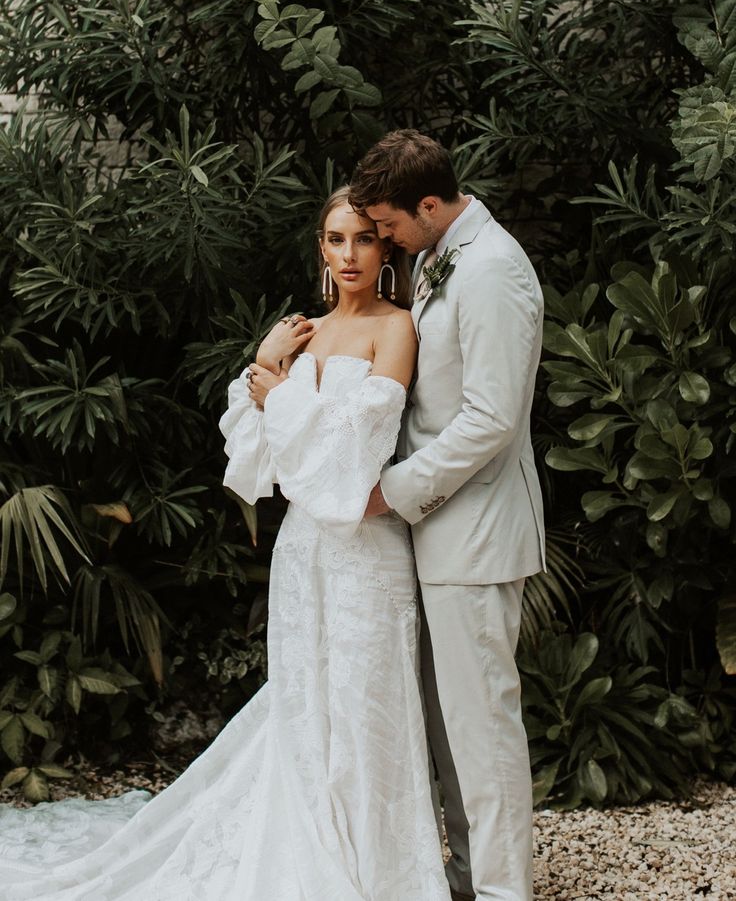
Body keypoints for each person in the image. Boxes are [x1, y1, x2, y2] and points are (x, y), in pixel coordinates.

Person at [0, 186, 451, 901]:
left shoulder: (397, 328)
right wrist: (262, 364)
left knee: (369, 703)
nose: (349, 254)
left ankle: (379, 871)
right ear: (320, 250)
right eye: (336, 240)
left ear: (385, 246)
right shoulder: (300, 333)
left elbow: (356, 448)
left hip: (369, 546)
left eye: (364, 238)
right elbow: (257, 454)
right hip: (305, 547)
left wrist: (279, 396)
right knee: (305, 701)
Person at [348, 130, 546, 901]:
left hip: (478, 533)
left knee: (481, 728)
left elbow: (491, 417)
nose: (382, 240)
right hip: (437, 533)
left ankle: (503, 891)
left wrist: (393, 489)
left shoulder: (494, 269)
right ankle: (466, 879)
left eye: (389, 225)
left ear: (429, 205)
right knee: (446, 731)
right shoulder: (437, 255)